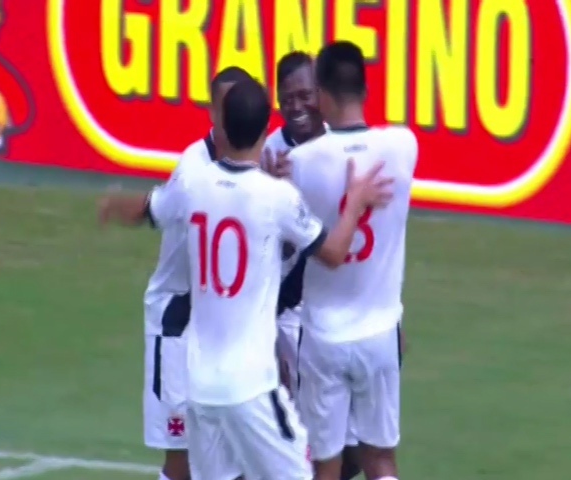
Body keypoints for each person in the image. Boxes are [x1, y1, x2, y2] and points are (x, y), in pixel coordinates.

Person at [143, 77, 393, 479]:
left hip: (201, 380)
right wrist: (355, 204)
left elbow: (154, 210)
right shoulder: (272, 194)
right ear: (266, 129)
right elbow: (332, 252)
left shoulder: (196, 182)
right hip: (250, 383)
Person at [98, 66, 252, 480]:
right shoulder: (193, 169)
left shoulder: (259, 165)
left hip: (223, 332)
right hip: (178, 329)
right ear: (212, 112)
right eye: (225, 107)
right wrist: (117, 207)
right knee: (181, 458)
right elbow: (154, 209)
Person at [288, 41, 418, 480]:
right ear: (364, 89)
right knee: (381, 460)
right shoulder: (403, 145)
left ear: (321, 94)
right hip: (381, 332)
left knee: (326, 464)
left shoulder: (301, 162)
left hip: (323, 336)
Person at [264, 50, 362, 480]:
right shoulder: (271, 151)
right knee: (305, 434)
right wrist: (272, 191)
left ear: (321, 95)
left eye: (305, 95)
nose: (297, 106)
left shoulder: (340, 148)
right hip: (290, 311)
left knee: (352, 442)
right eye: (287, 99)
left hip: (341, 308)